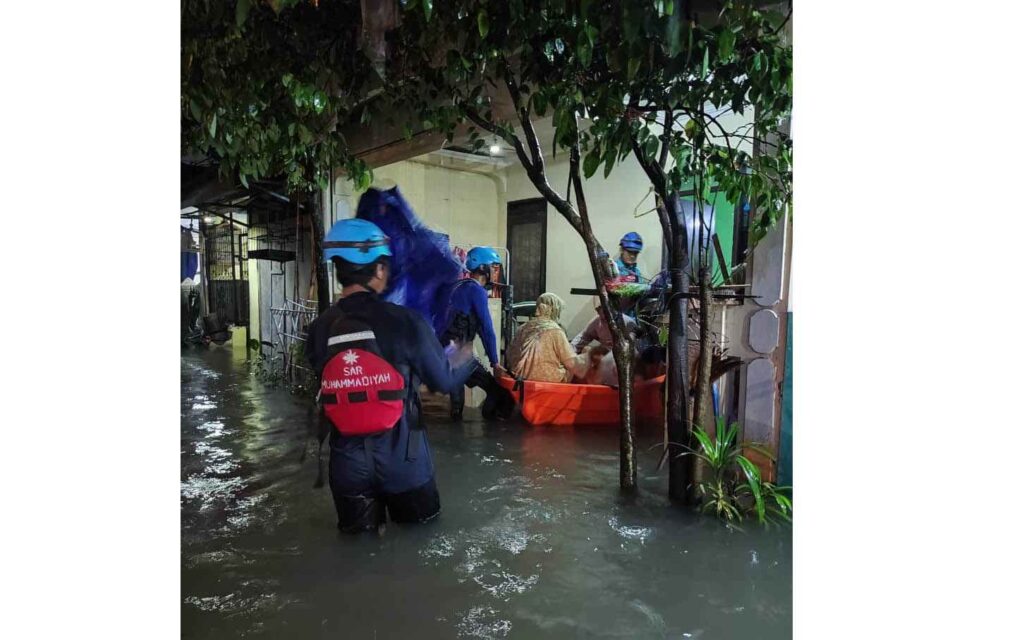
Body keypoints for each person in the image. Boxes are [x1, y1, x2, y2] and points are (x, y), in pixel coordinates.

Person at [305, 218, 476, 534]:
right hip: (405, 463)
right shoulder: (405, 322)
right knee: (422, 545)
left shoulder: (320, 328)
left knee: (357, 556)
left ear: (338, 269)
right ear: (380, 270)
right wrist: (465, 358)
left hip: (347, 467)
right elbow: (442, 381)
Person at [434, 245, 514, 421]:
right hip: (456, 350)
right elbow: (486, 329)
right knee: (494, 388)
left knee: (458, 383)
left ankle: (455, 425)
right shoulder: (475, 290)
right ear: (483, 268)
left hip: (442, 347)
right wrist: (495, 362)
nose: (497, 272)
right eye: (494, 267)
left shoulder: (457, 285)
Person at [506, 292, 607, 383]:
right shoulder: (555, 331)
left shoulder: (523, 328)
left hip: (520, 377)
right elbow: (571, 363)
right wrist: (589, 355)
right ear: (554, 310)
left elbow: (510, 355)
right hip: (548, 378)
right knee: (583, 358)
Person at [571, 297, 639, 388]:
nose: (604, 320)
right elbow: (582, 337)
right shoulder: (596, 321)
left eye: (606, 317)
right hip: (605, 357)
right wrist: (570, 351)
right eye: (602, 317)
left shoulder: (628, 322)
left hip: (624, 357)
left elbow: (632, 346)